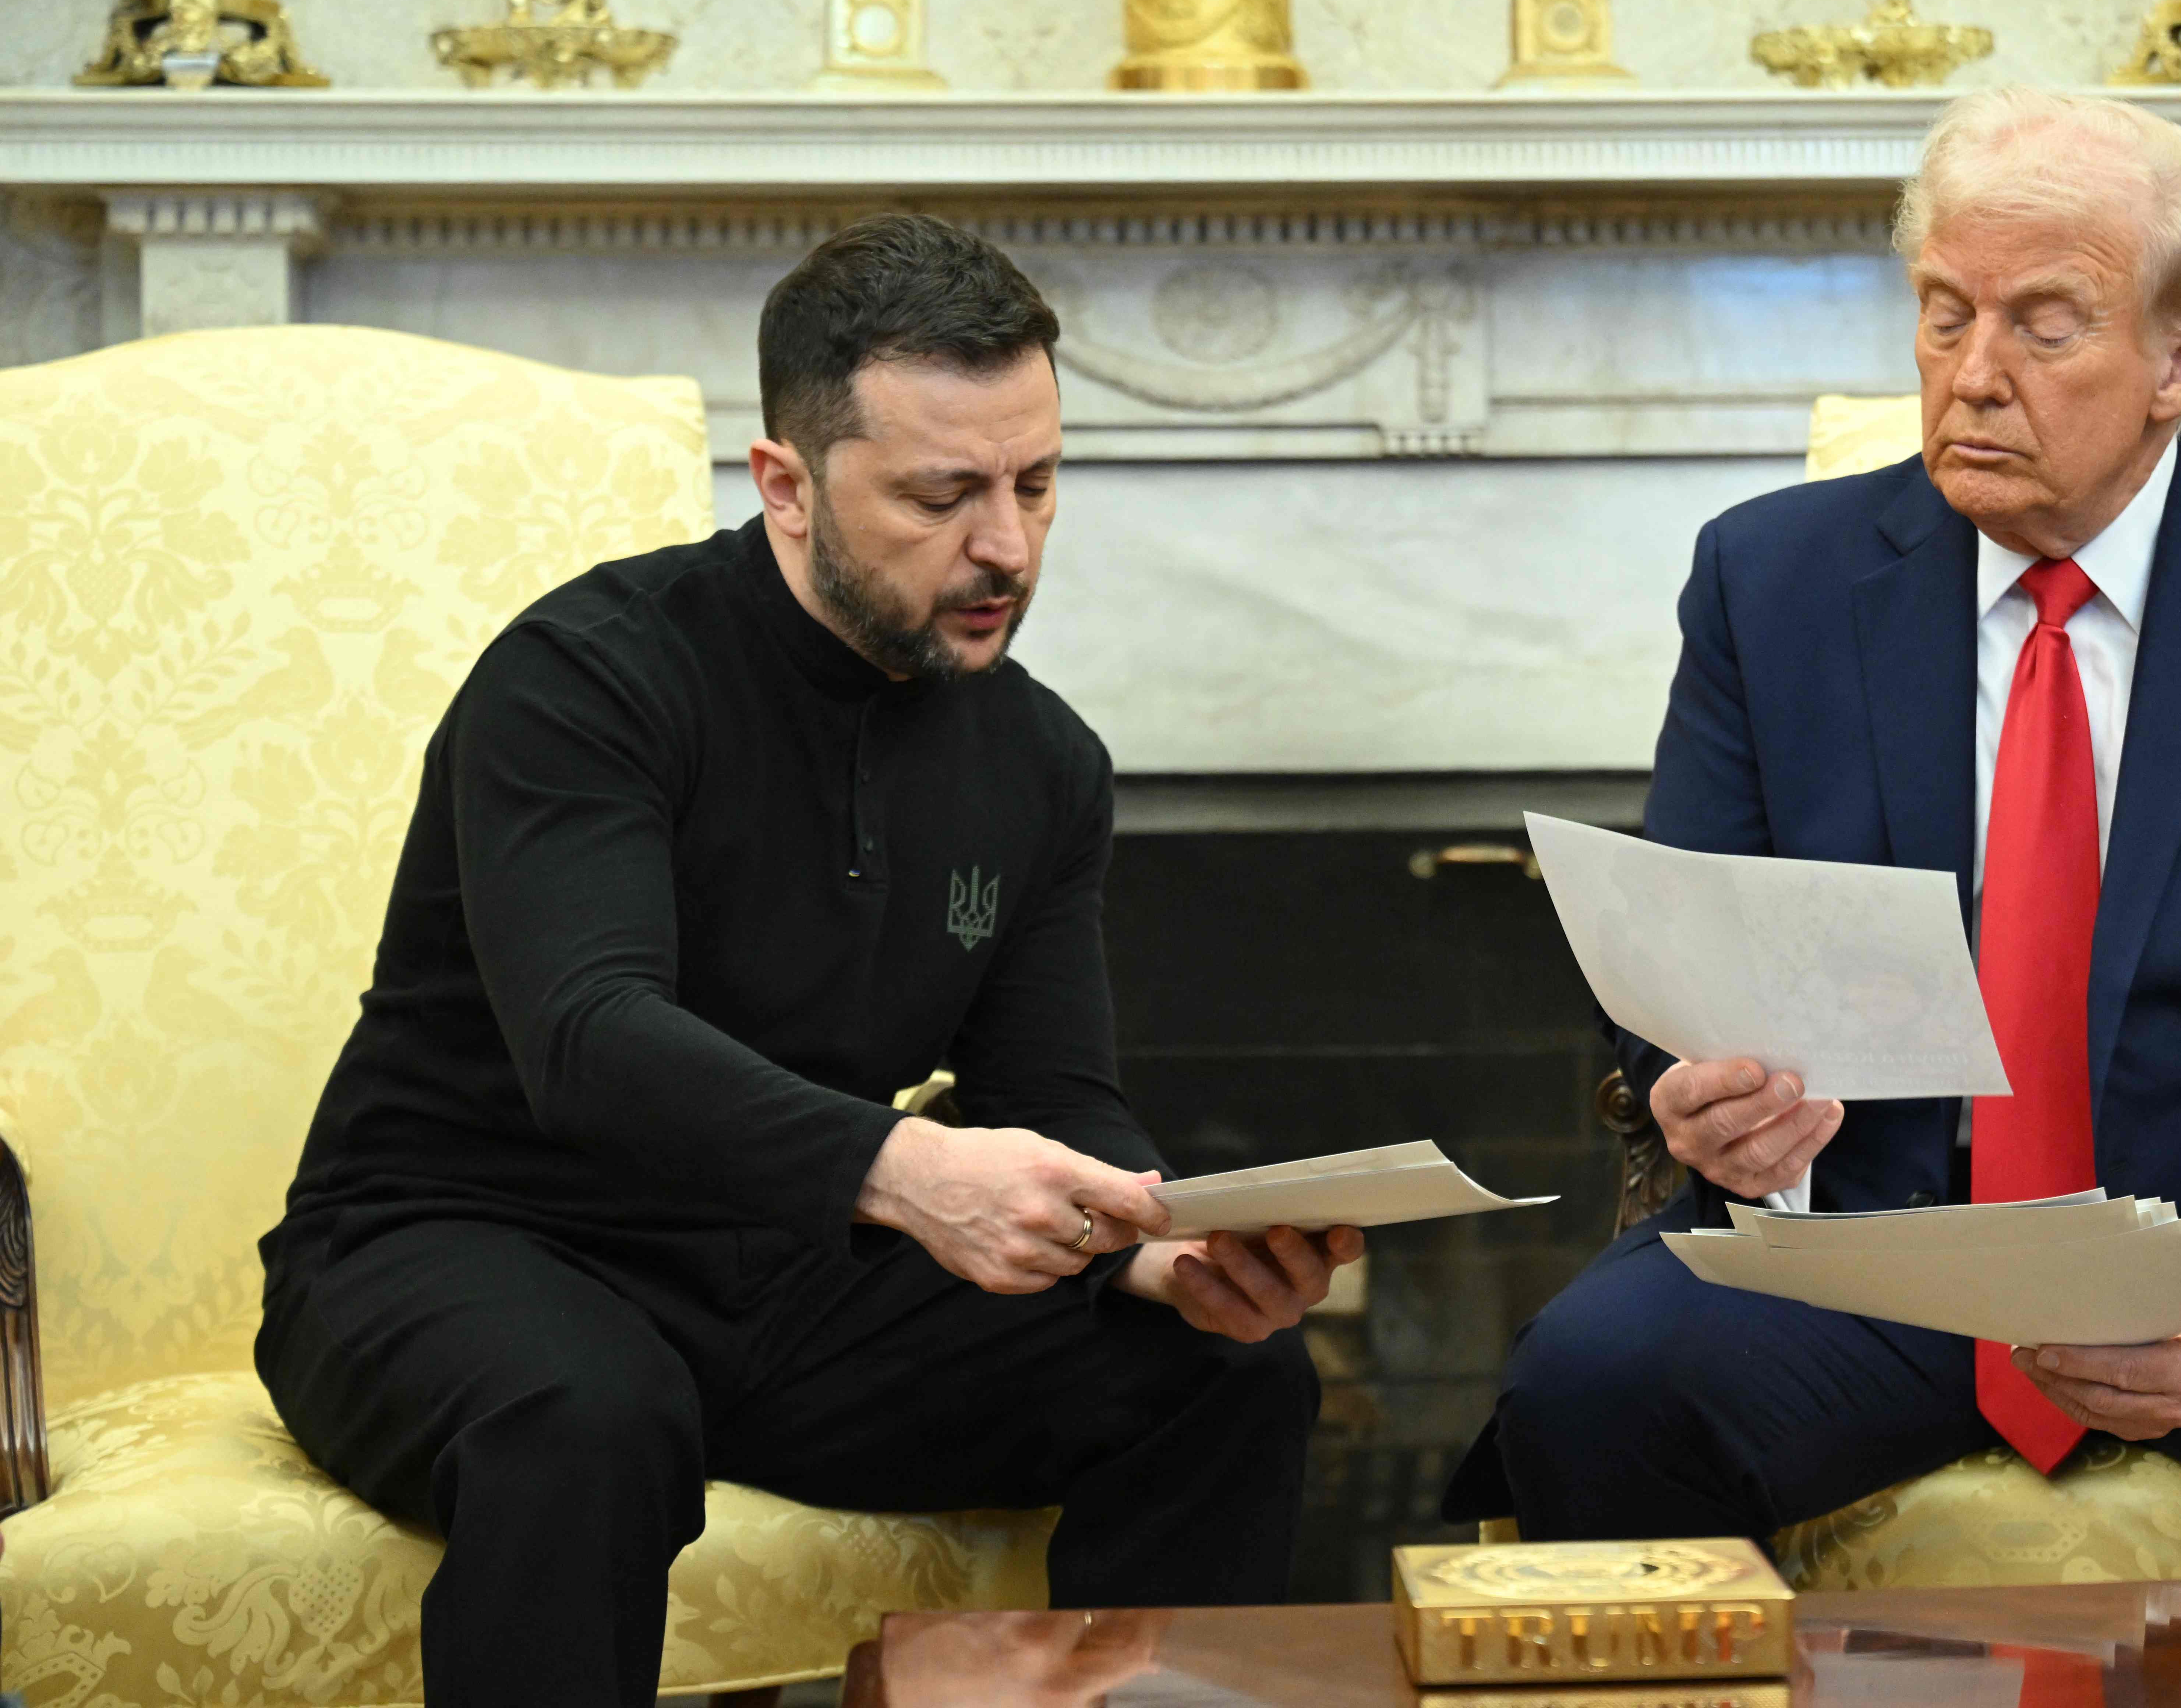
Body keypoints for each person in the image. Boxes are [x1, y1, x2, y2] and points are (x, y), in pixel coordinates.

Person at [1445, 88, 2181, 1708]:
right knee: (1593, 1382)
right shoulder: (1772, 581)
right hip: (1895, 1237)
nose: (1972, 372)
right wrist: (1708, 1103)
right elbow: (1680, 957)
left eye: (2044, 325)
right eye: (1944, 313)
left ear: (2180, 362)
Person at [256, 214, 1357, 1708]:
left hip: (783, 1277)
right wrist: (908, 1170)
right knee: (593, 1414)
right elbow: (588, 1034)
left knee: (1222, 1372)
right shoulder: (587, 675)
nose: (1008, 547)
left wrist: (1158, 1248)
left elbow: (1056, 1089)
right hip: (450, 1242)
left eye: (1036, 482)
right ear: (785, 482)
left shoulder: (1041, 760)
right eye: (941, 494)